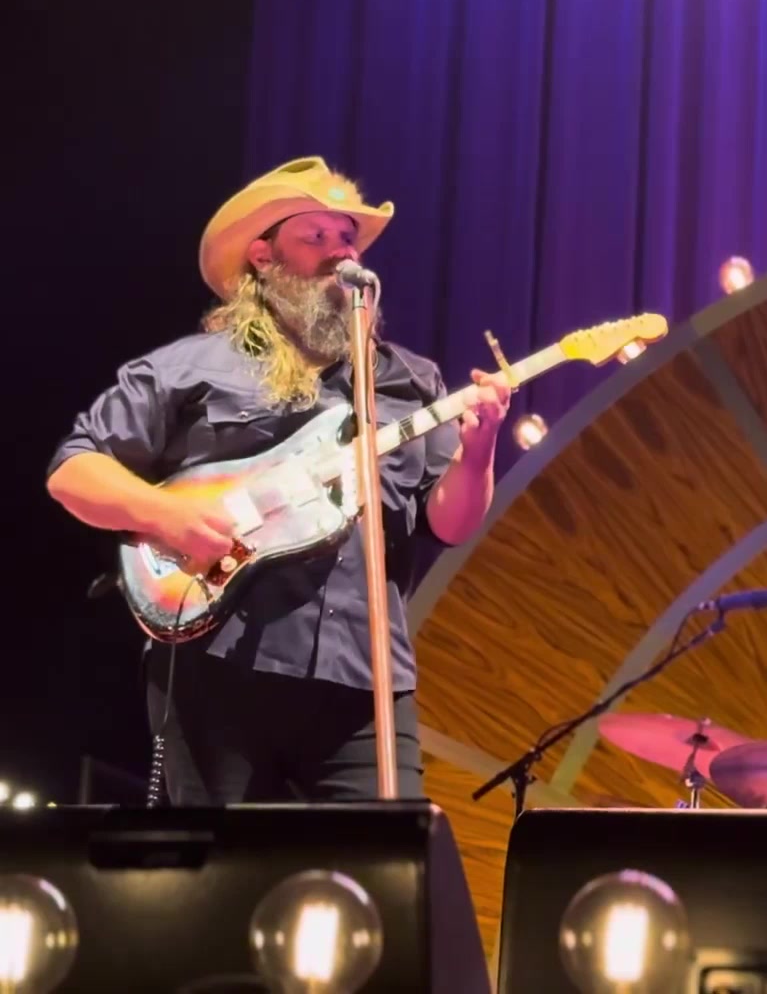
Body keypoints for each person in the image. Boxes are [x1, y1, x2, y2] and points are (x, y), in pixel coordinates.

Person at [45, 156, 510, 804]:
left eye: (346, 237)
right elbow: (74, 469)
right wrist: (167, 516)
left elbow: (450, 522)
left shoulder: (410, 381)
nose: (339, 252)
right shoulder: (195, 366)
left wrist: (480, 451)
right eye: (315, 236)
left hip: (365, 678)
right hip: (221, 665)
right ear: (263, 259)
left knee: (387, 860)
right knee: (224, 864)